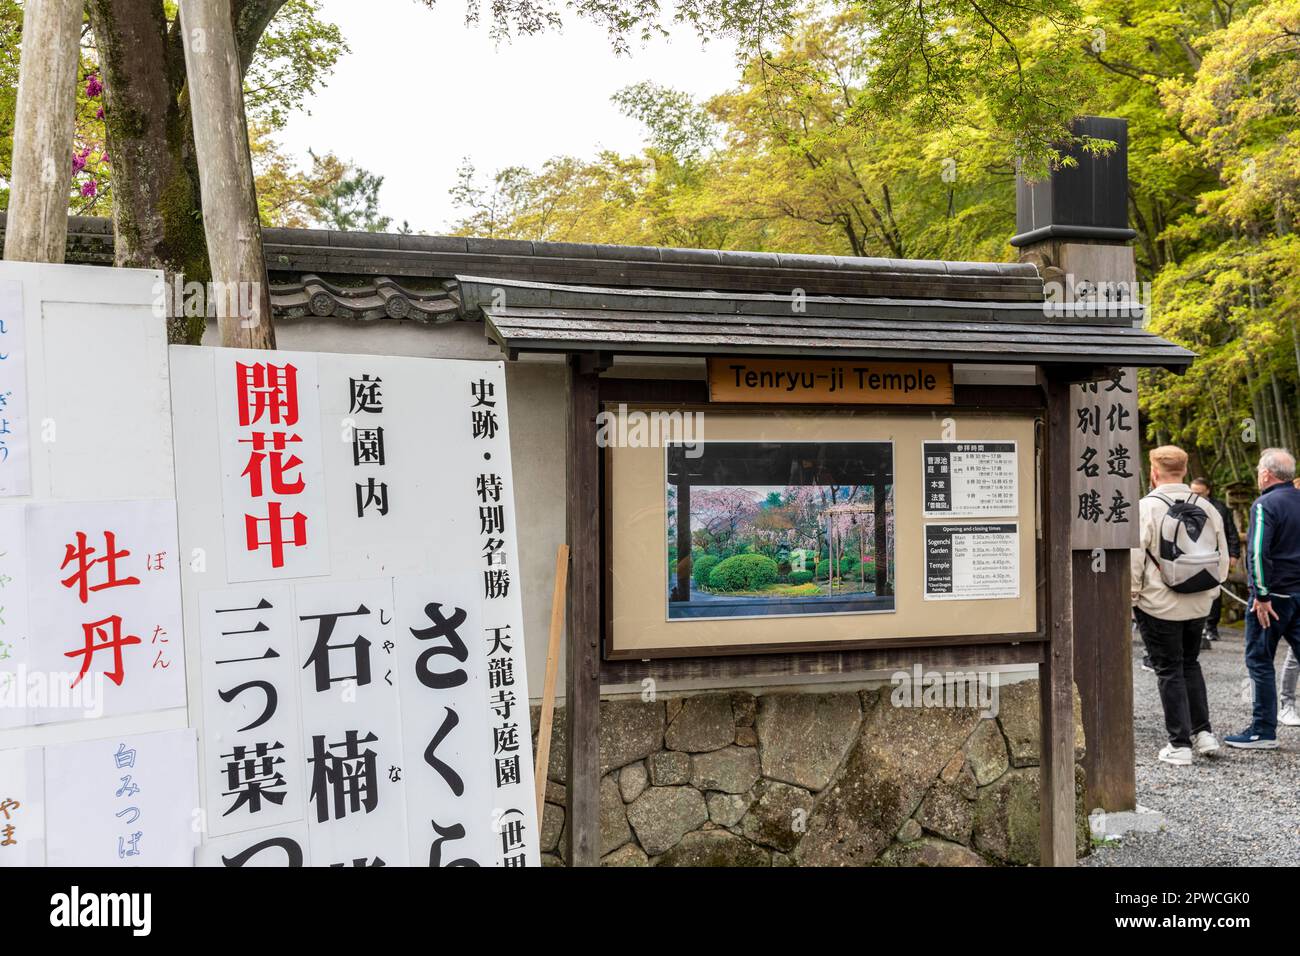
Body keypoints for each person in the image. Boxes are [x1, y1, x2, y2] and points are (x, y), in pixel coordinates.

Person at [1131, 446, 1230, 765]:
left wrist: (1132, 597)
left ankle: (1179, 744)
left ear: (1154, 472)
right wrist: (1211, 591)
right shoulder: (1207, 506)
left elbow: (1134, 557)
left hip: (1159, 603)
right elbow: (1223, 557)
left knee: (1168, 668)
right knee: (1190, 664)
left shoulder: (1146, 507)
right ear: (1185, 471)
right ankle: (1204, 734)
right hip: (1199, 601)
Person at [1227, 448, 1300, 747]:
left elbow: (1257, 553)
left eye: (1259, 468)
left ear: (1267, 474)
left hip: (1274, 597)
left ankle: (1263, 729)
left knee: (1259, 660)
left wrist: (1262, 594)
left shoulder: (1264, 504)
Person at [1189, 476, 1240, 645]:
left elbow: (1230, 532)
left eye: (1199, 492)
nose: (1195, 495)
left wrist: (1233, 554)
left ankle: (1211, 626)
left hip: (1214, 554)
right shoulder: (1184, 506)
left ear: (1207, 491)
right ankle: (1195, 628)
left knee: (1214, 593)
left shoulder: (1219, 508)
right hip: (1190, 555)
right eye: (1192, 492)